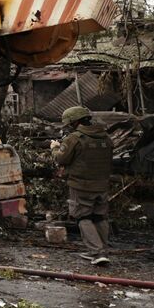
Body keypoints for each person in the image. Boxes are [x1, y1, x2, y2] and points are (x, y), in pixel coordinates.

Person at [53, 105, 113, 254]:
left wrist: (54, 148)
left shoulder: (74, 139)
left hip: (81, 185)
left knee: (83, 217)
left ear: (75, 122)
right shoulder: (105, 137)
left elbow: (61, 159)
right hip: (102, 184)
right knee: (99, 216)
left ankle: (96, 252)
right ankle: (103, 248)